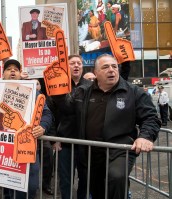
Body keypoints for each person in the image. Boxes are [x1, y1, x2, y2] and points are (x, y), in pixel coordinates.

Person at [74, 54, 160, 199]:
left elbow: (151, 117)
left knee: (116, 177)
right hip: (92, 151)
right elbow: (66, 109)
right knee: (97, 190)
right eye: (105, 67)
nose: (111, 70)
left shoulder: (133, 92)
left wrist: (145, 136)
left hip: (121, 149)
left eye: (114, 66)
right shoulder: (85, 92)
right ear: (96, 73)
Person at [2, 59, 52, 199]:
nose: (12, 71)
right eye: (8, 69)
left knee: (31, 185)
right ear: (3, 73)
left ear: (19, 74)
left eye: (16, 69)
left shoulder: (32, 92)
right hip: (2, 149)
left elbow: (47, 113)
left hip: (27, 147)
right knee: (9, 186)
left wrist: (43, 126)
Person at [49, 55, 92, 199]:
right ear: (66, 66)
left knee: (85, 178)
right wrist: (54, 139)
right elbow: (52, 115)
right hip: (64, 142)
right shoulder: (58, 85)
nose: (76, 66)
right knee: (65, 179)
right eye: (72, 63)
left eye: (79, 63)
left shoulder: (91, 86)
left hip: (86, 142)